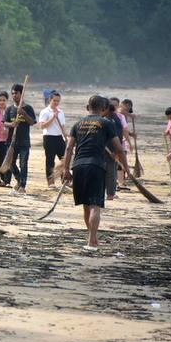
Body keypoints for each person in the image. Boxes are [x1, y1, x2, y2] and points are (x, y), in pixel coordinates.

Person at [63, 95, 129, 249]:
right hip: (96, 166)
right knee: (95, 205)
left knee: (86, 205)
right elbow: (119, 149)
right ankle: (91, 241)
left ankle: (92, 239)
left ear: (88, 107)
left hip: (78, 166)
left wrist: (66, 169)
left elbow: (69, 148)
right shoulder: (106, 123)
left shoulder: (78, 124)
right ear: (104, 109)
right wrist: (126, 168)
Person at [2, 83, 36, 193]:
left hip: (24, 142)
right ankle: (18, 179)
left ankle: (22, 186)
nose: (14, 95)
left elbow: (32, 122)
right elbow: (4, 123)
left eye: (16, 93)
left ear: (21, 94)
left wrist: (23, 113)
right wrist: (11, 124)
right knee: (11, 164)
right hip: (11, 142)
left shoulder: (28, 108)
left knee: (23, 164)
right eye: (12, 94)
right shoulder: (9, 109)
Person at [38, 90, 66, 188]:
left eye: (58, 101)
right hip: (49, 138)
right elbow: (42, 126)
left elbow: (62, 126)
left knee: (65, 159)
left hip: (59, 138)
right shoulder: (45, 112)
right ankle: (51, 182)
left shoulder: (61, 112)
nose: (56, 103)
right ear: (50, 100)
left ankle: (65, 181)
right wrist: (53, 117)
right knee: (50, 161)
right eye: (54, 101)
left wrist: (66, 136)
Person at [109, 97, 133, 188]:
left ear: (118, 105)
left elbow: (125, 131)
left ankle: (121, 183)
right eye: (112, 105)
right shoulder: (104, 116)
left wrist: (129, 143)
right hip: (108, 144)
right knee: (109, 164)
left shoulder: (120, 116)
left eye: (116, 105)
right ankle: (111, 184)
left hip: (119, 143)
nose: (114, 106)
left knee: (121, 163)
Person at [104, 103, 123, 201]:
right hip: (113, 149)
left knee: (110, 172)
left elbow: (115, 136)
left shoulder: (110, 120)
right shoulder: (116, 119)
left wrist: (114, 151)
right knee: (111, 172)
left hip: (109, 150)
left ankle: (110, 194)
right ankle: (111, 193)